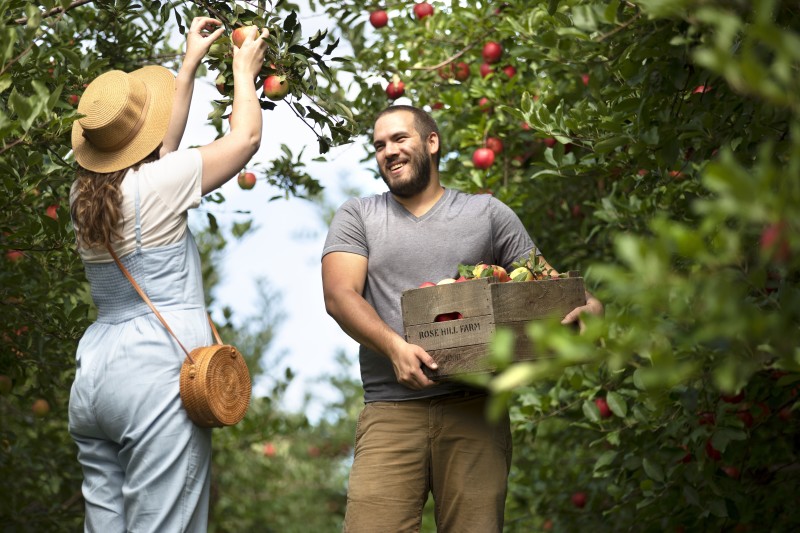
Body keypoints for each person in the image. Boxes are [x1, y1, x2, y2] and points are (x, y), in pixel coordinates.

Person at [321, 105, 603, 532]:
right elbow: (339, 295)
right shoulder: (359, 215)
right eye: (379, 145)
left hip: (475, 410)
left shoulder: (486, 214)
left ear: (431, 142)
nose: (388, 152)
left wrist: (589, 303)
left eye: (400, 139)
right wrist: (394, 346)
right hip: (390, 411)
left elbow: (544, 281)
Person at [67, 18, 268, 532]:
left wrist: (190, 63)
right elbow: (243, 138)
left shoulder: (83, 197)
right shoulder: (157, 184)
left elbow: (162, 155)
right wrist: (243, 70)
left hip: (95, 376)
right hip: (154, 373)